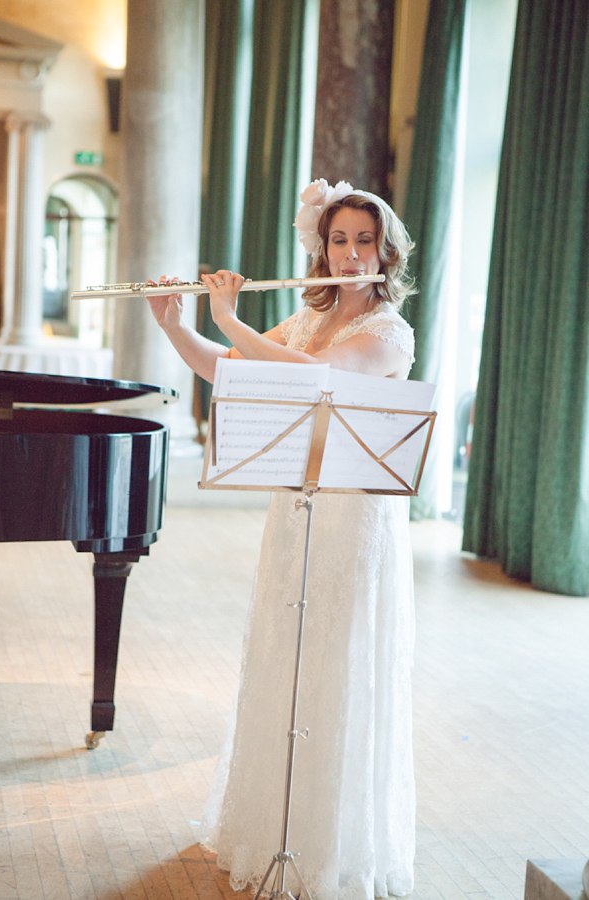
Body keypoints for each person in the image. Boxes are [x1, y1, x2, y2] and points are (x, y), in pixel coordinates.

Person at [147, 179, 418, 900]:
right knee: (285, 657)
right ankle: (273, 832)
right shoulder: (305, 318)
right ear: (322, 247)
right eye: (339, 240)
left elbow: (327, 379)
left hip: (353, 518)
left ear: (385, 252)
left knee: (336, 664)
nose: (352, 254)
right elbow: (227, 370)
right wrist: (177, 325)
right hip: (296, 510)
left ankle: (332, 847)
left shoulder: (388, 332)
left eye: (365, 241)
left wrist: (233, 320)